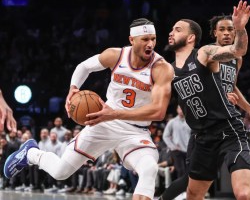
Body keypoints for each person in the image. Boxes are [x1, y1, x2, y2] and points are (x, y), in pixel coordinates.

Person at [4, 18, 174, 200]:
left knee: (149, 168)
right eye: (145, 39)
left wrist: (114, 113)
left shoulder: (161, 68)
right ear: (132, 40)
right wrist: (73, 89)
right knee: (61, 172)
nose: (151, 44)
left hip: (135, 131)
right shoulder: (115, 56)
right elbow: (84, 67)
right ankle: (31, 153)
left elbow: (158, 112)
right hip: (104, 123)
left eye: (153, 39)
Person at [160, 12, 250, 200]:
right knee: (192, 191)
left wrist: (249, 109)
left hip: (228, 127)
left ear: (191, 37)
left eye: (231, 29)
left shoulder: (207, 54)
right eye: (222, 29)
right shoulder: (171, 69)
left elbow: (237, 60)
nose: (171, 32)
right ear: (214, 33)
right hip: (202, 134)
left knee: (244, 192)